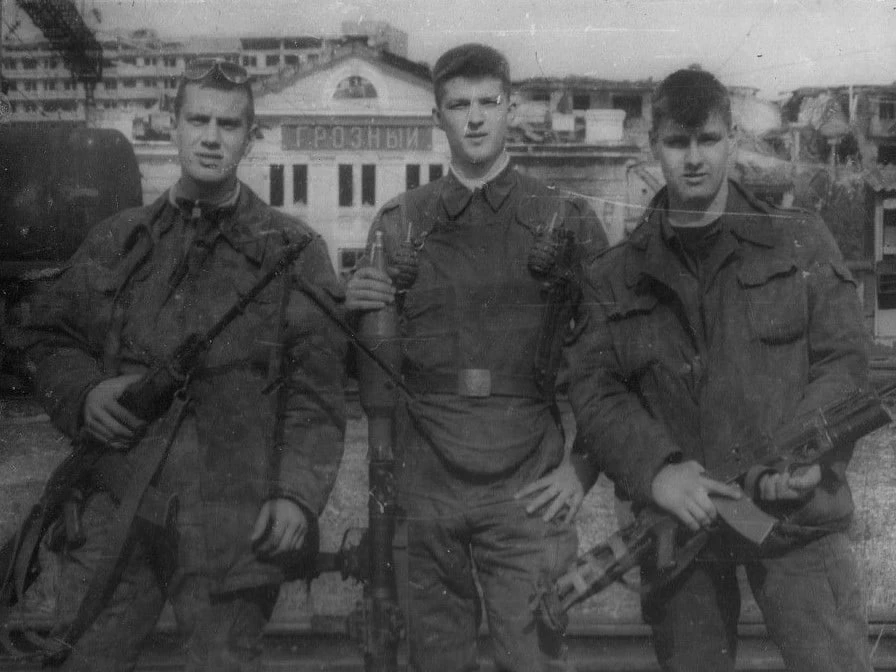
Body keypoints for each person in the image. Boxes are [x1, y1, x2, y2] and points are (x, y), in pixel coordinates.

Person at [22, 58, 346, 672]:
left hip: (233, 516)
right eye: (198, 120)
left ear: (250, 137)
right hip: (115, 502)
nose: (211, 137)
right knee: (82, 660)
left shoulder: (292, 252)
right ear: (172, 125)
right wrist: (85, 394)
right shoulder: (119, 240)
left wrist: (296, 496)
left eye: (229, 124)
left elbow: (317, 393)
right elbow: (44, 335)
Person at [568, 67, 872, 672]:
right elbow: (596, 391)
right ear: (652, 146)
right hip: (683, 525)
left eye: (707, 139)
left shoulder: (799, 241)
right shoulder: (616, 274)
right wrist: (657, 472)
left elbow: (843, 360)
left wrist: (806, 453)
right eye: (677, 142)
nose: (694, 159)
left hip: (791, 515)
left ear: (732, 138)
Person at [346, 43, 607, 672]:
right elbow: (366, 370)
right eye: (459, 104)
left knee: (532, 658)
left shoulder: (566, 218)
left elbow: (612, 360)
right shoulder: (400, 223)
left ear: (511, 107)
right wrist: (352, 311)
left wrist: (582, 469)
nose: (476, 118)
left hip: (528, 484)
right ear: (437, 115)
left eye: (489, 102)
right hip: (427, 481)